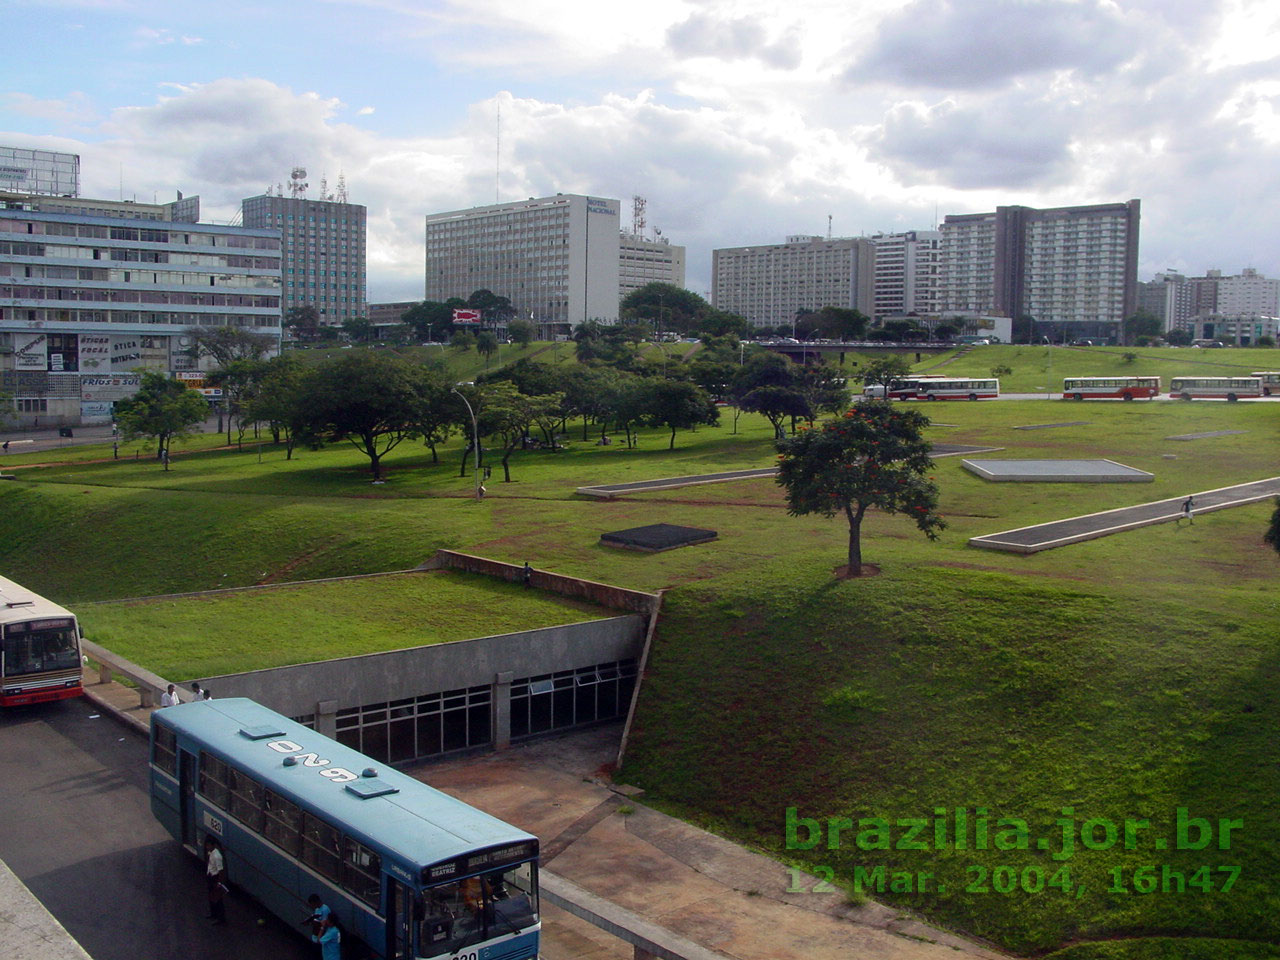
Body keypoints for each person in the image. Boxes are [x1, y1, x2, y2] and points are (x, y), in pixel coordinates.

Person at [205, 837, 227, 925]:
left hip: (215, 878)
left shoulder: (217, 856)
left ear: (213, 845)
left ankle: (221, 918)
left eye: (208, 845)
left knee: (218, 899)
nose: (207, 847)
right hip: (210, 877)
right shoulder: (212, 853)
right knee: (211, 897)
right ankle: (213, 914)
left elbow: (221, 870)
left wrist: (219, 883)